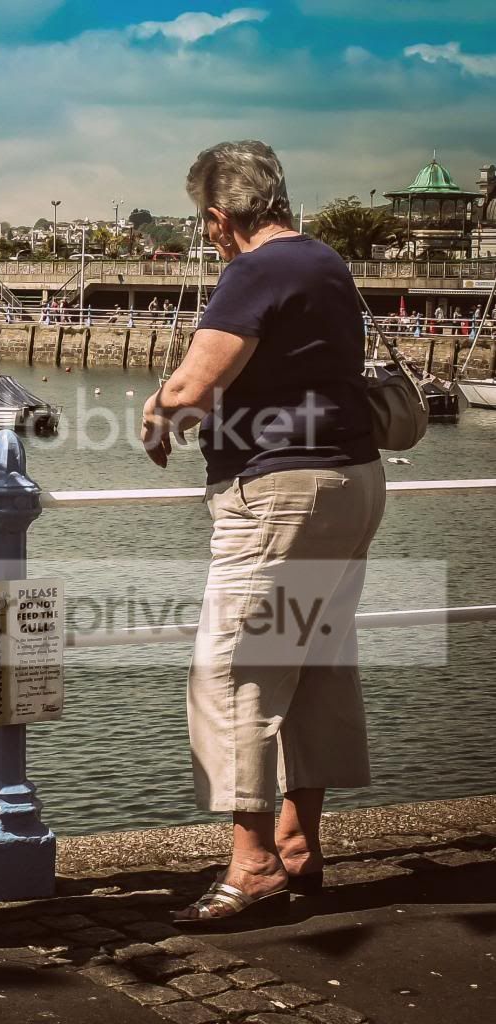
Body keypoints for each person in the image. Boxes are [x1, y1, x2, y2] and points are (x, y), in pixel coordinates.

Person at [140, 140, 384, 924]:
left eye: (204, 223)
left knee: (233, 670)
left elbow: (192, 385)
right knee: (311, 660)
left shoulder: (254, 270)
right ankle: (299, 846)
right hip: (353, 479)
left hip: (280, 493)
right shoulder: (326, 262)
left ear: (219, 217)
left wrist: (158, 413)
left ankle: (251, 865)